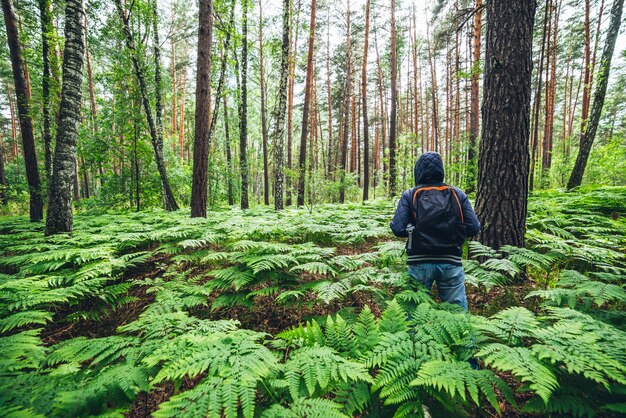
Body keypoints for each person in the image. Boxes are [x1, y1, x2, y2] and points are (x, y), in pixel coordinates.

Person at [390, 152, 480, 312]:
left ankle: (412, 338)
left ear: (418, 171)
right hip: (451, 261)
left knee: (413, 313)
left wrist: (415, 230)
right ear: (441, 171)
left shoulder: (410, 194)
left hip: (419, 262)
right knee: (457, 316)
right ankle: (462, 338)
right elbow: (474, 227)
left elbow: (397, 228)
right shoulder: (457, 194)